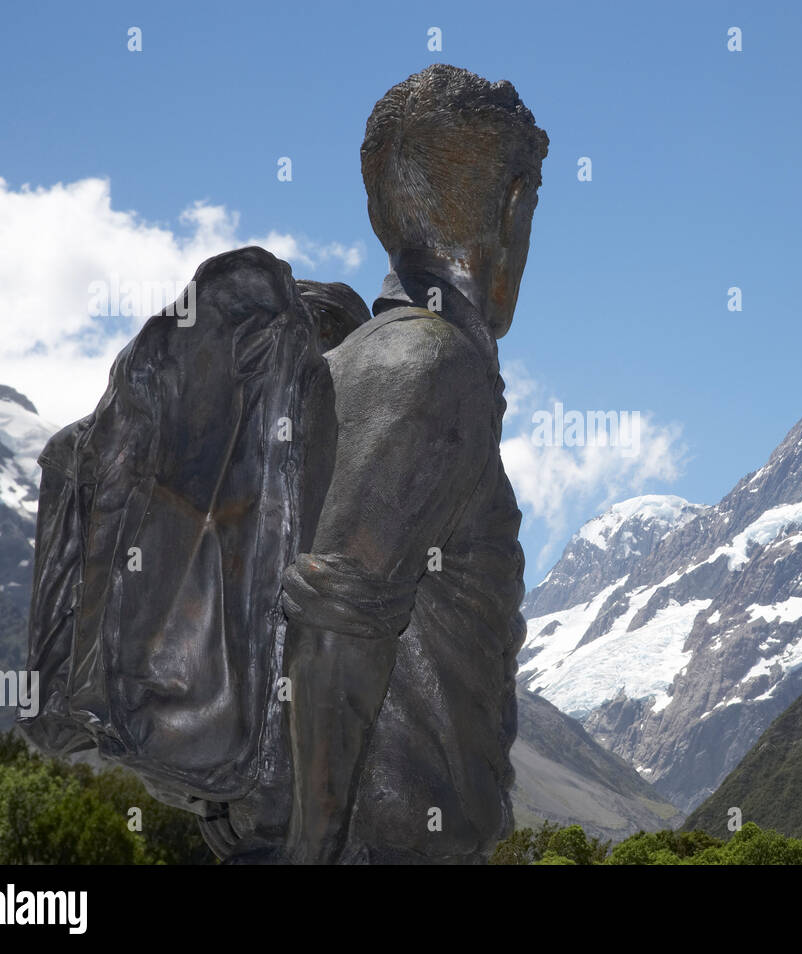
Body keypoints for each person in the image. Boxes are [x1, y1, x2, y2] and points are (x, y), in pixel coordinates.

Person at [276, 64, 548, 863]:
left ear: (377, 210)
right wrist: (310, 853)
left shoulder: (346, 363)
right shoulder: (432, 365)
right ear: (515, 207)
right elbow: (336, 615)